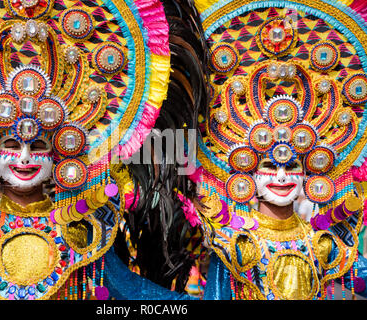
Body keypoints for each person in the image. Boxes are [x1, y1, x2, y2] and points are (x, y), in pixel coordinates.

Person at [105, 0, 367, 300]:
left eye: (291, 166)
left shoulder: (322, 248)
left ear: (309, 174)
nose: (281, 177)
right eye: (269, 165)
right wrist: (101, 242)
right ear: (249, 172)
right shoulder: (235, 246)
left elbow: (360, 282)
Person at [0, 0, 171, 300]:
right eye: (12, 145)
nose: (24, 157)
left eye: (37, 146)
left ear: (57, 158)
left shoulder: (81, 232)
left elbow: (134, 292)